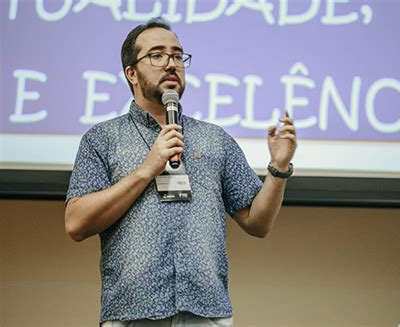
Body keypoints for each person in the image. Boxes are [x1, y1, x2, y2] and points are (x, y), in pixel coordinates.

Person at [65, 17, 296, 327]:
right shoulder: (103, 139)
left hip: (206, 311)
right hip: (133, 312)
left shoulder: (214, 139)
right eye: (157, 55)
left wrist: (278, 169)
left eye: (177, 55)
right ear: (131, 73)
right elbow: (76, 223)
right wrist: (148, 168)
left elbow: (258, 222)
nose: (171, 63)